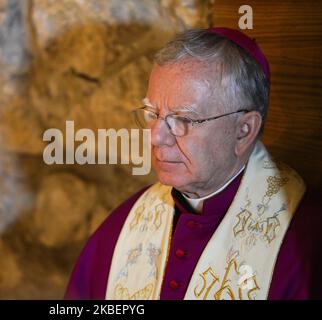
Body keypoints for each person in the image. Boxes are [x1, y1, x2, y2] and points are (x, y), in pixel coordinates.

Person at [64, 27, 322, 300]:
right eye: (153, 113)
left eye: (184, 119)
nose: (156, 137)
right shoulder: (121, 229)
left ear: (243, 130)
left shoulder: (304, 247)